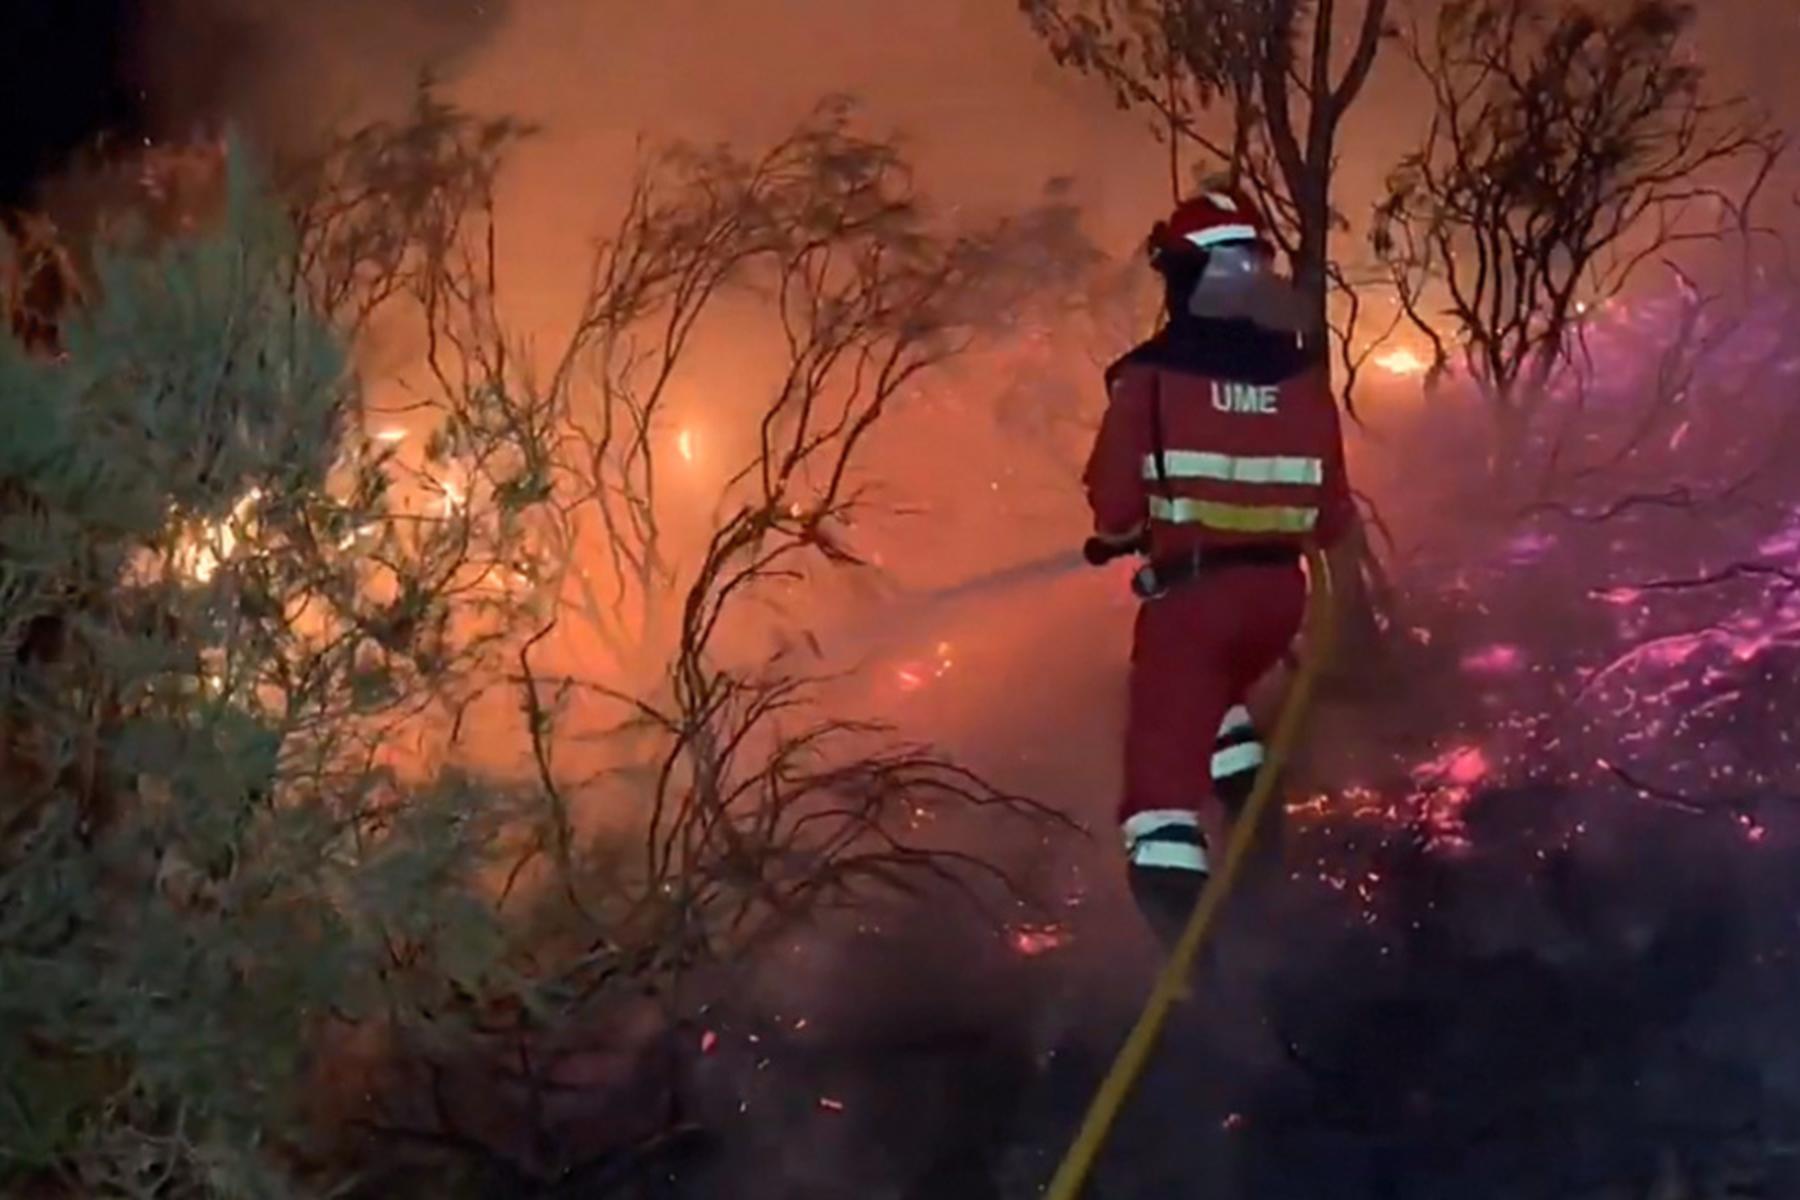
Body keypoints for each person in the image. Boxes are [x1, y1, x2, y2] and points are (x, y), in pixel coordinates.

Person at [1082, 184, 1357, 944]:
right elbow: (1332, 518)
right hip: (1278, 603)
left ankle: (1199, 974)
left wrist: (1133, 529)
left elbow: (1112, 507)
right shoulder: (1303, 380)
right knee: (1215, 696)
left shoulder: (1149, 377)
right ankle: (1253, 809)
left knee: (1159, 801)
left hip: (1193, 603)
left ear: (1180, 278)